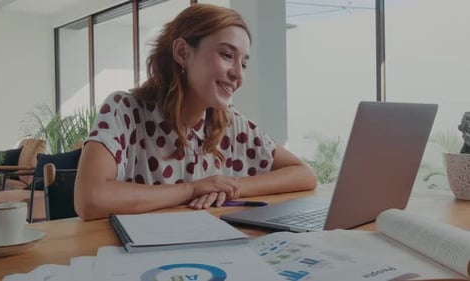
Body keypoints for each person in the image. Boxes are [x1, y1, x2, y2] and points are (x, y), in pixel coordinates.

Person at [74, 3, 317, 221]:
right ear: (182, 53)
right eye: (226, 55)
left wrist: (227, 186)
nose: (238, 74)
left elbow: (305, 175)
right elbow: (90, 199)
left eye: (243, 63)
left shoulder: (231, 124)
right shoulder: (124, 111)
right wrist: (192, 189)